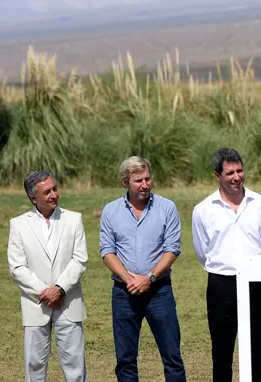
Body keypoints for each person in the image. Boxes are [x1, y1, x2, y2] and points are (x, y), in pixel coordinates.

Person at [192, 148, 261, 382]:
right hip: (221, 284)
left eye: (239, 170)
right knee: (222, 351)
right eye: (229, 172)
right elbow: (203, 252)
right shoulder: (203, 210)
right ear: (217, 176)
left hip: (258, 283)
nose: (236, 177)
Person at [99, 156, 186, 382]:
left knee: (172, 357)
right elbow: (107, 252)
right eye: (138, 180)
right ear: (125, 182)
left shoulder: (167, 208)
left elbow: (173, 249)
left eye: (148, 178)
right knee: (125, 360)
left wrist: (149, 277)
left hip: (159, 291)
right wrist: (129, 279)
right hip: (123, 292)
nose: (145, 184)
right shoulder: (110, 211)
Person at [7, 170, 89, 382]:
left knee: (75, 366)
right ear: (33, 198)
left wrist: (59, 289)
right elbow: (17, 267)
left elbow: (80, 260)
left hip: (68, 302)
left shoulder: (73, 219)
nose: (54, 194)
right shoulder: (19, 224)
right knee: (34, 366)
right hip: (36, 303)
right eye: (47, 192)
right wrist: (45, 292)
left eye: (55, 189)